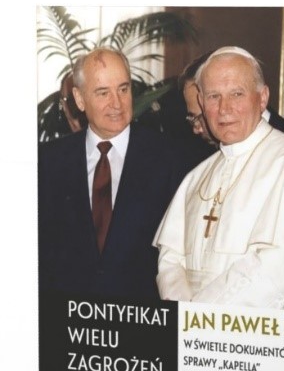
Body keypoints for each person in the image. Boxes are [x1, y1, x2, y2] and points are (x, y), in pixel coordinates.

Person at [153, 46, 284, 311]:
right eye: (214, 96)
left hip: (261, 332)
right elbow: (170, 259)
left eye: (236, 94)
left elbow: (280, 268)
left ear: (262, 98)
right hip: (191, 331)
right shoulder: (196, 176)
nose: (224, 109)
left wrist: (200, 317)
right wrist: (183, 316)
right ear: (202, 103)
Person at [38, 47, 187, 301]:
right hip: (65, 315)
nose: (116, 103)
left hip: (142, 316)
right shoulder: (46, 161)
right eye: (103, 92)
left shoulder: (170, 159)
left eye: (123, 89)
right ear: (80, 99)